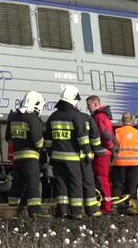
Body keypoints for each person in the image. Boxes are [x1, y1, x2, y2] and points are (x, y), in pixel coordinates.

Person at [45, 86, 87, 219]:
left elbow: (48, 140)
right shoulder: (76, 116)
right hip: (73, 157)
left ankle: (62, 211)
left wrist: (51, 153)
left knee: (61, 184)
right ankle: (75, 212)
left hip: (57, 157)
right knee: (75, 183)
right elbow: (82, 137)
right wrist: (87, 153)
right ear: (73, 99)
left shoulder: (53, 116)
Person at [5, 91, 46, 217]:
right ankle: (35, 211)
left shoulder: (13, 117)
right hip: (31, 157)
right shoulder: (32, 118)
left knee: (17, 182)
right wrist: (44, 145)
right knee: (33, 182)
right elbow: (38, 141)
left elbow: (8, 138)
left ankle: (13, 209)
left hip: (18, 156)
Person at [86, 95, 116, 214]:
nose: (87, 108)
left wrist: (110, 147)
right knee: (103, 179)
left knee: (102, 179)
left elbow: (106, 134)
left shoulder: (100, 117)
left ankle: (107, 207)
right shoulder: (101, 116)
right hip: (102, 152)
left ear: (95, 104)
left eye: (88, 105)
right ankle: (106, 205)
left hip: (101, 153)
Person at [77, 100, 103, 216]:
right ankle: (91, 210)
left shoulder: (62, 117)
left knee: (73, 182)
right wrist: (93, 151)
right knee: (88, 181)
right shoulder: (86, 118)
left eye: (89, 105)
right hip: (86, 157)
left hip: (73, 157)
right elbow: (95, 138)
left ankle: (73, 210)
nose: (87, 108)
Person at [112, 112, 138, 214]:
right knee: (132, 186)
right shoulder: (137, 132)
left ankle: (118, 207)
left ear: (122, 120)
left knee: (118, 185)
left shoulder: (117, 131)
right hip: (134, 162)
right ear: (131, 121)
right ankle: (132, 207)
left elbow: (113, 147)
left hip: (120, 162)